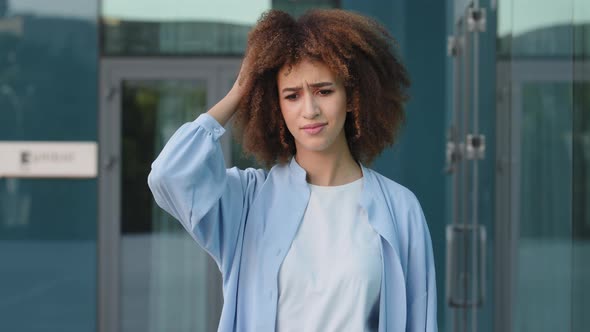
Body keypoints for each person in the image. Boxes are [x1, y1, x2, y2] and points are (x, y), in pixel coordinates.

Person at [148, 8, 437, 332]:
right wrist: (241, 87)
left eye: (324, 91)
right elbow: (168, 175)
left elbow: (420, 321)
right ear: (276, 106)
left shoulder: (400, 208)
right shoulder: (246, 203)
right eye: (292, 95)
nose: (310, 110)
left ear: (352, 97)